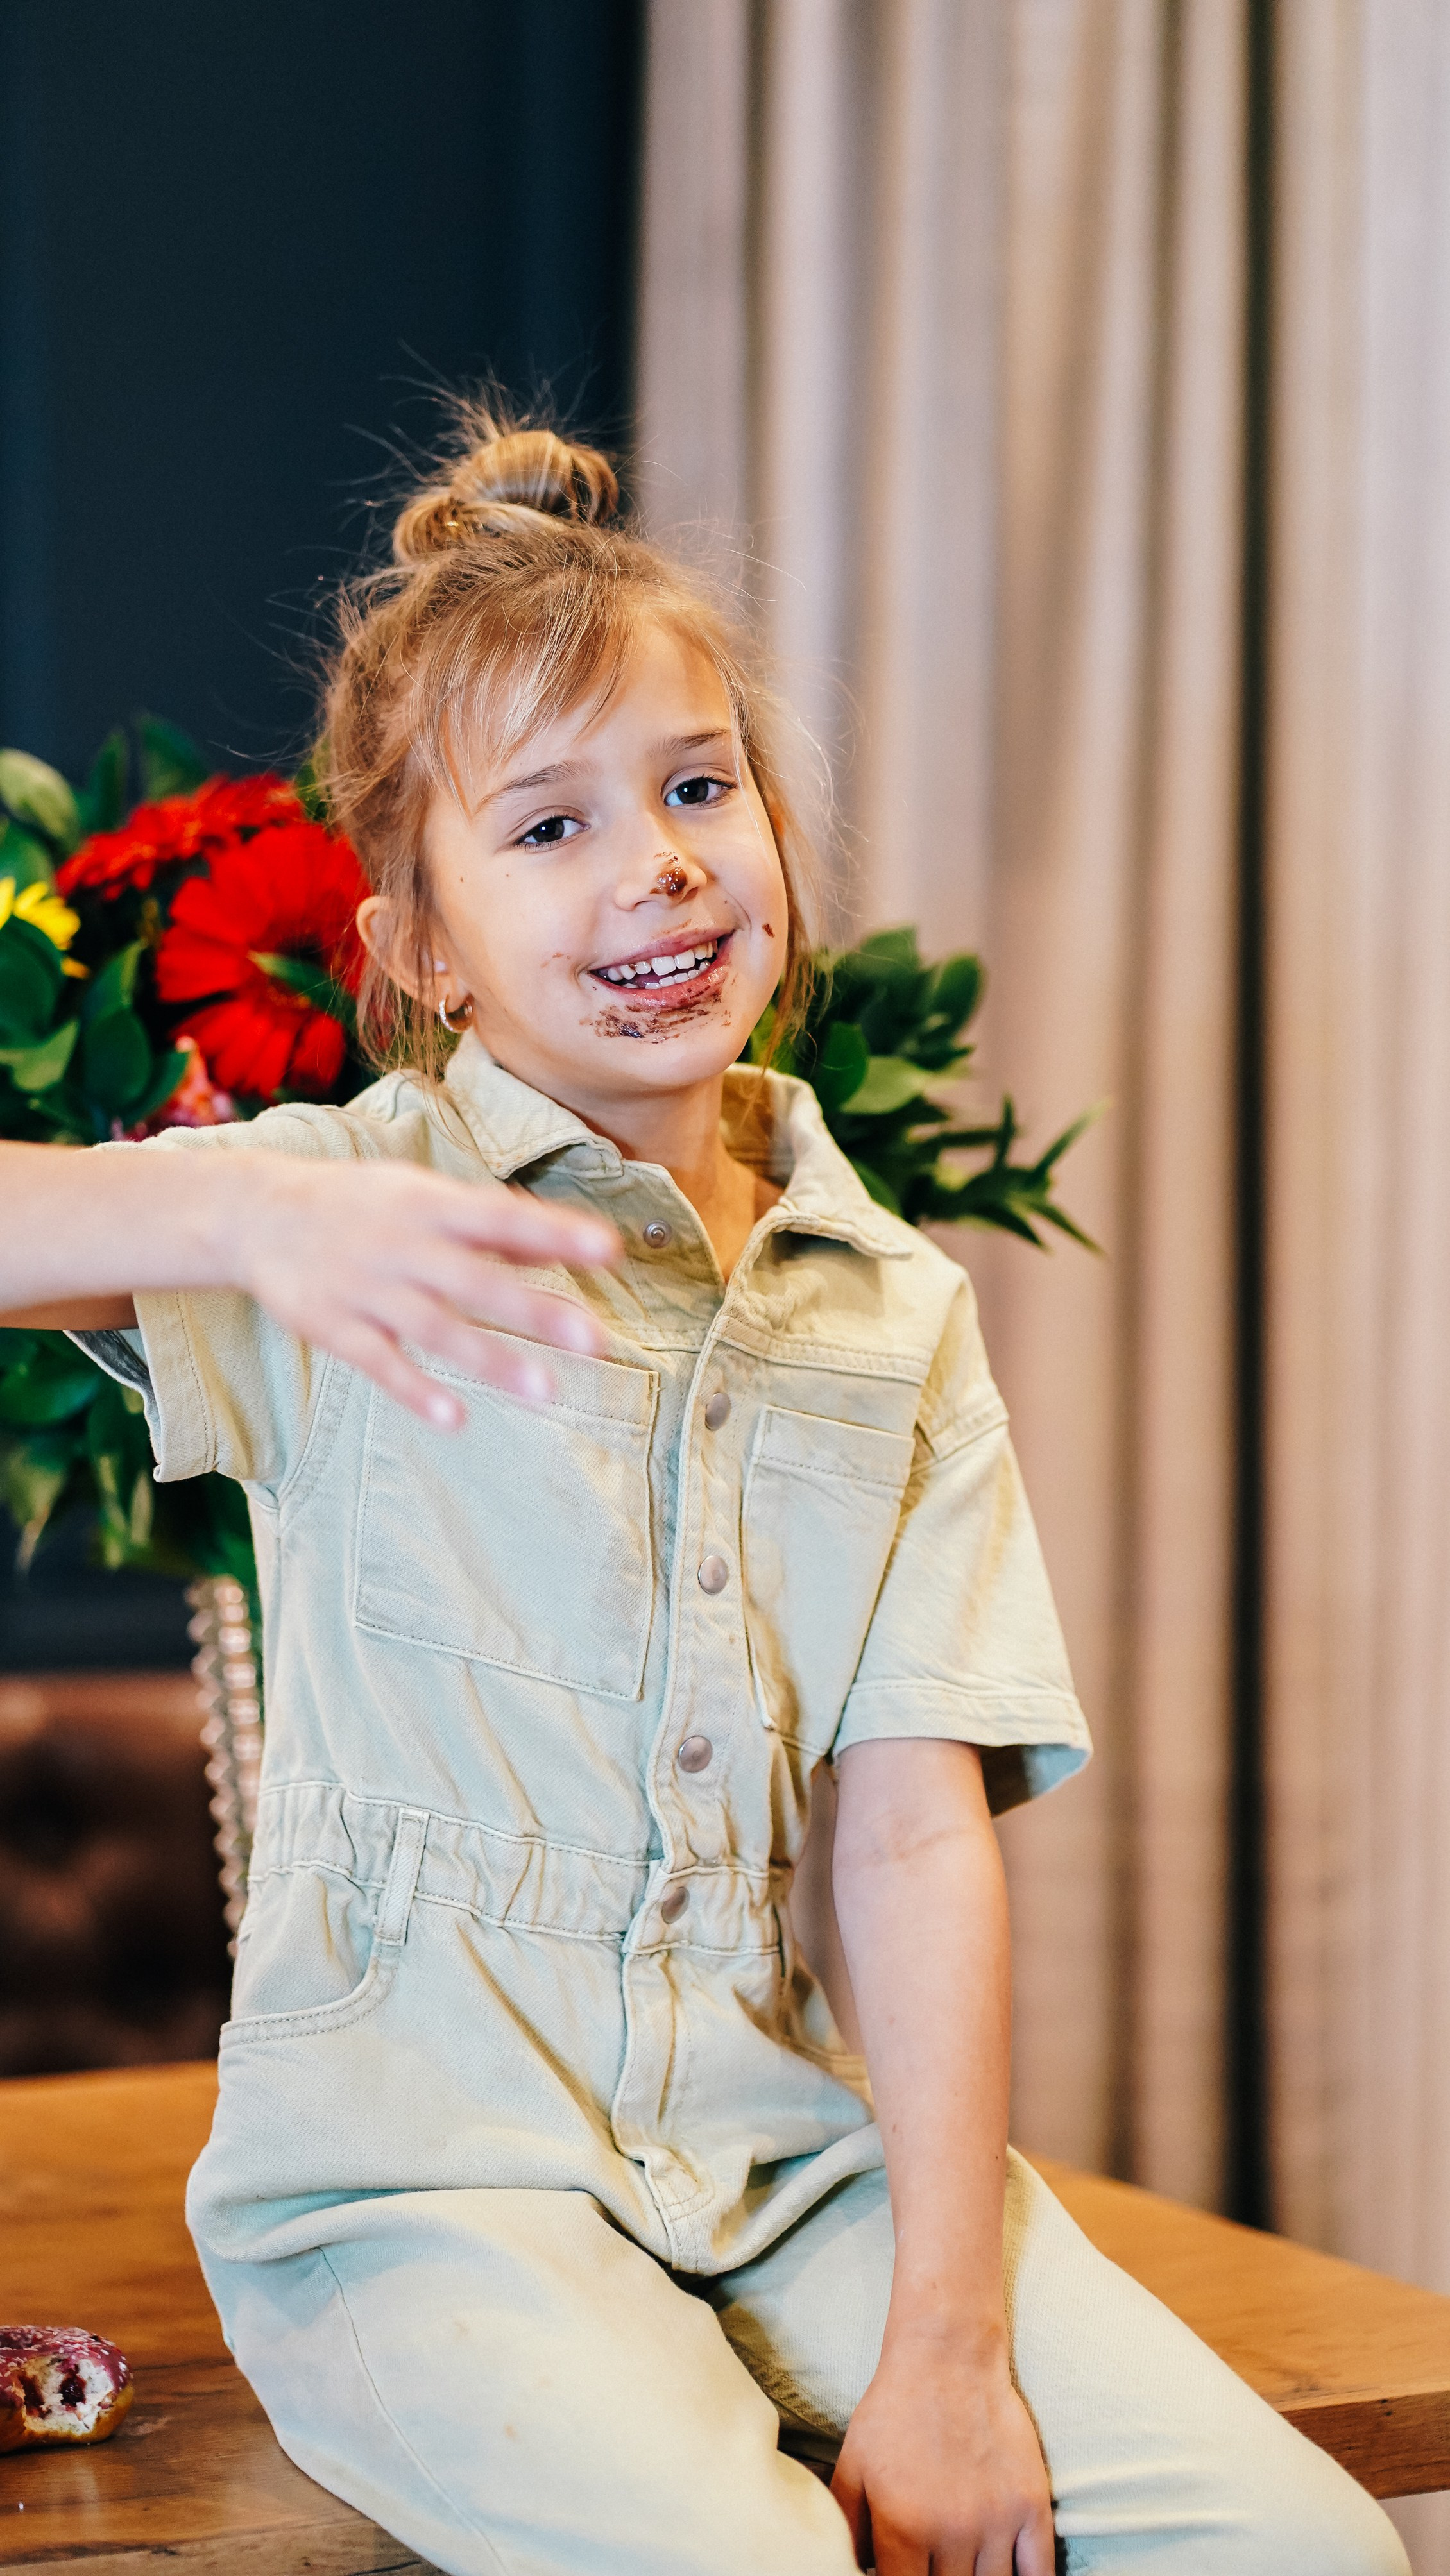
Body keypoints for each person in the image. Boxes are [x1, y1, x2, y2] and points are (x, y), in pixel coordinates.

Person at [1, 416, 1406, 2576]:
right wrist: (241, 1226)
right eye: (548, 823)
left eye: (694, 786)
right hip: (420, 2195)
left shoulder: (891, 1310)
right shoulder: (345, 1207)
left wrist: (949, 2345)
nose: (654, 861)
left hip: (801, 2173)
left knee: (1299, 2551)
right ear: (423, 949)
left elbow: (914, 1833)